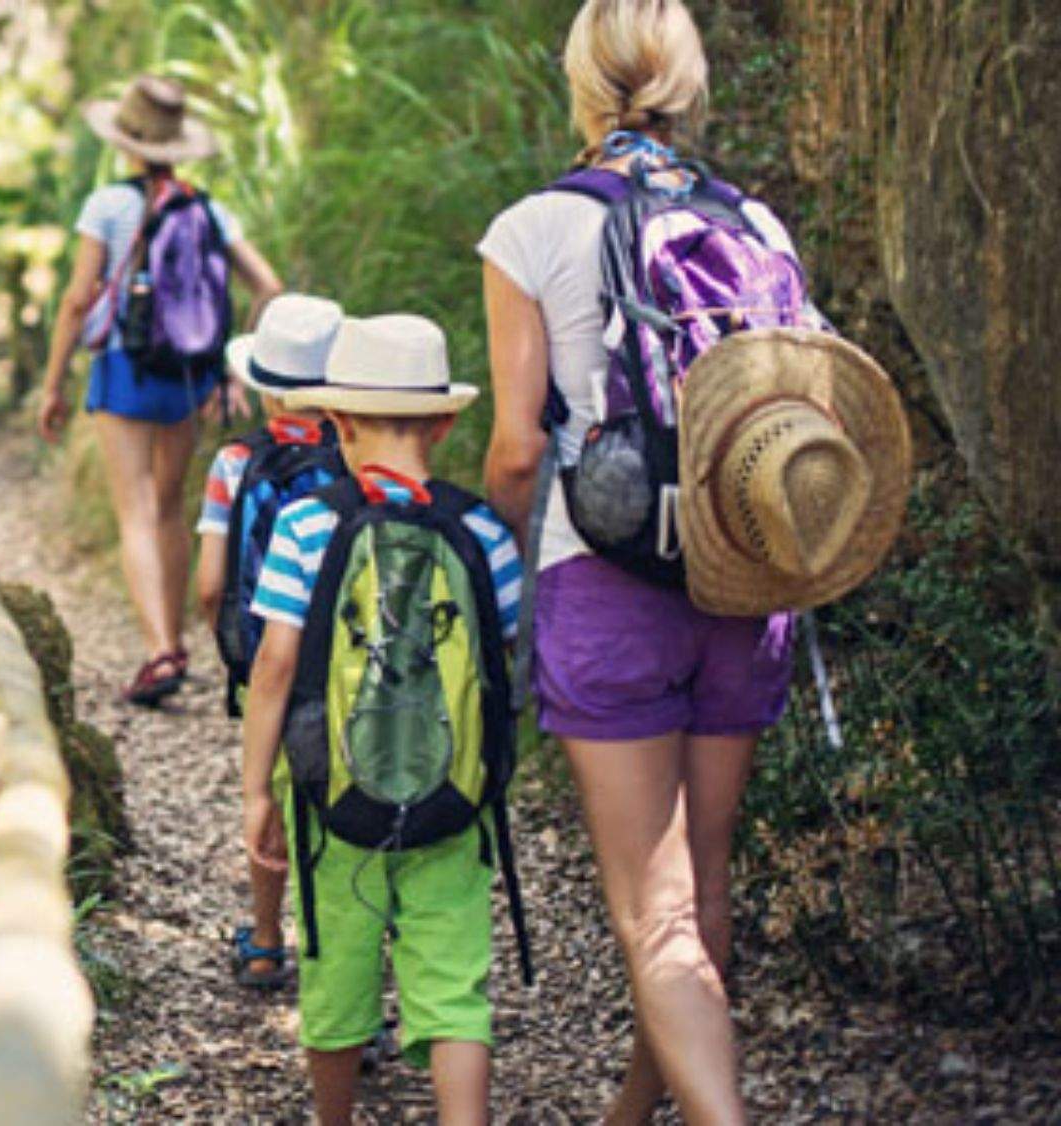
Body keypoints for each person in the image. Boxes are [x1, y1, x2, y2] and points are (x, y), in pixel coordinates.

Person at [477, 2, 800, 1121]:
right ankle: (629, 1110)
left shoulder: (530, 230)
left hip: (605, 579)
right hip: (746, 575)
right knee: (699, 884)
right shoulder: (755, 223)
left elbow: (518, 449)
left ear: (579, 85)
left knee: (651, 910)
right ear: (686, 82)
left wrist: (492, 564)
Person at [241, 315, 521, 1126]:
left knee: (336, 966)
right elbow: (500, 660)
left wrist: (257, 787)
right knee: (454, 979)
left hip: (333, 794)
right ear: (444, 422)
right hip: (455, 794)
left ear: (339, 422)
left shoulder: (305, 526)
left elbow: (275, 665)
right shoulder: (481, 532)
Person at [37, 74, 283, 706]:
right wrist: (233, 367)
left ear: (126, 141)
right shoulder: (206, 208)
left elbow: (77, 298)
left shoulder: (109, 206)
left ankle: (161, 650)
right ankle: (174, 639)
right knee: (171, 507)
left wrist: (54, 382)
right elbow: (270, 288)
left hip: (125, 367)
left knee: (135, 511)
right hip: (188, 370)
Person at [196, 294, 346, 991]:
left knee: (273, 801)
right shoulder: (362, 458)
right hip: (350, 670)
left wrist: (230, 643)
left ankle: (264, 939)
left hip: (269, 666)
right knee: (345, 815)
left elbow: (207, 580)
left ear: (262, 390)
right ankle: (351, 972)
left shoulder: (235, 462)